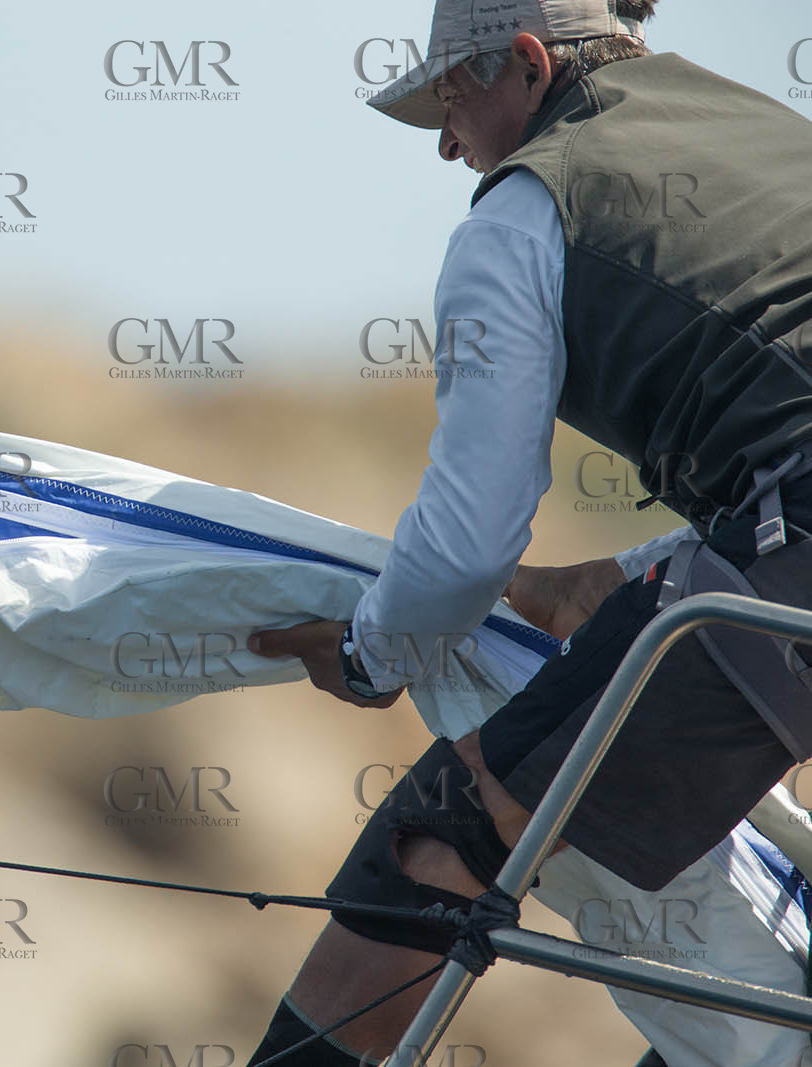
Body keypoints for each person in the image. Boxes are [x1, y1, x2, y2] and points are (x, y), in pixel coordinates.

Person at [241, 1, 812, 1063]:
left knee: (445, 834)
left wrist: (370, 657)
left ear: (526, 65)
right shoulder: (758, 129)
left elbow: (464, 543)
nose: (449, 141)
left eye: (451, 99)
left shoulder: (521, 214)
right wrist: (618, 573)